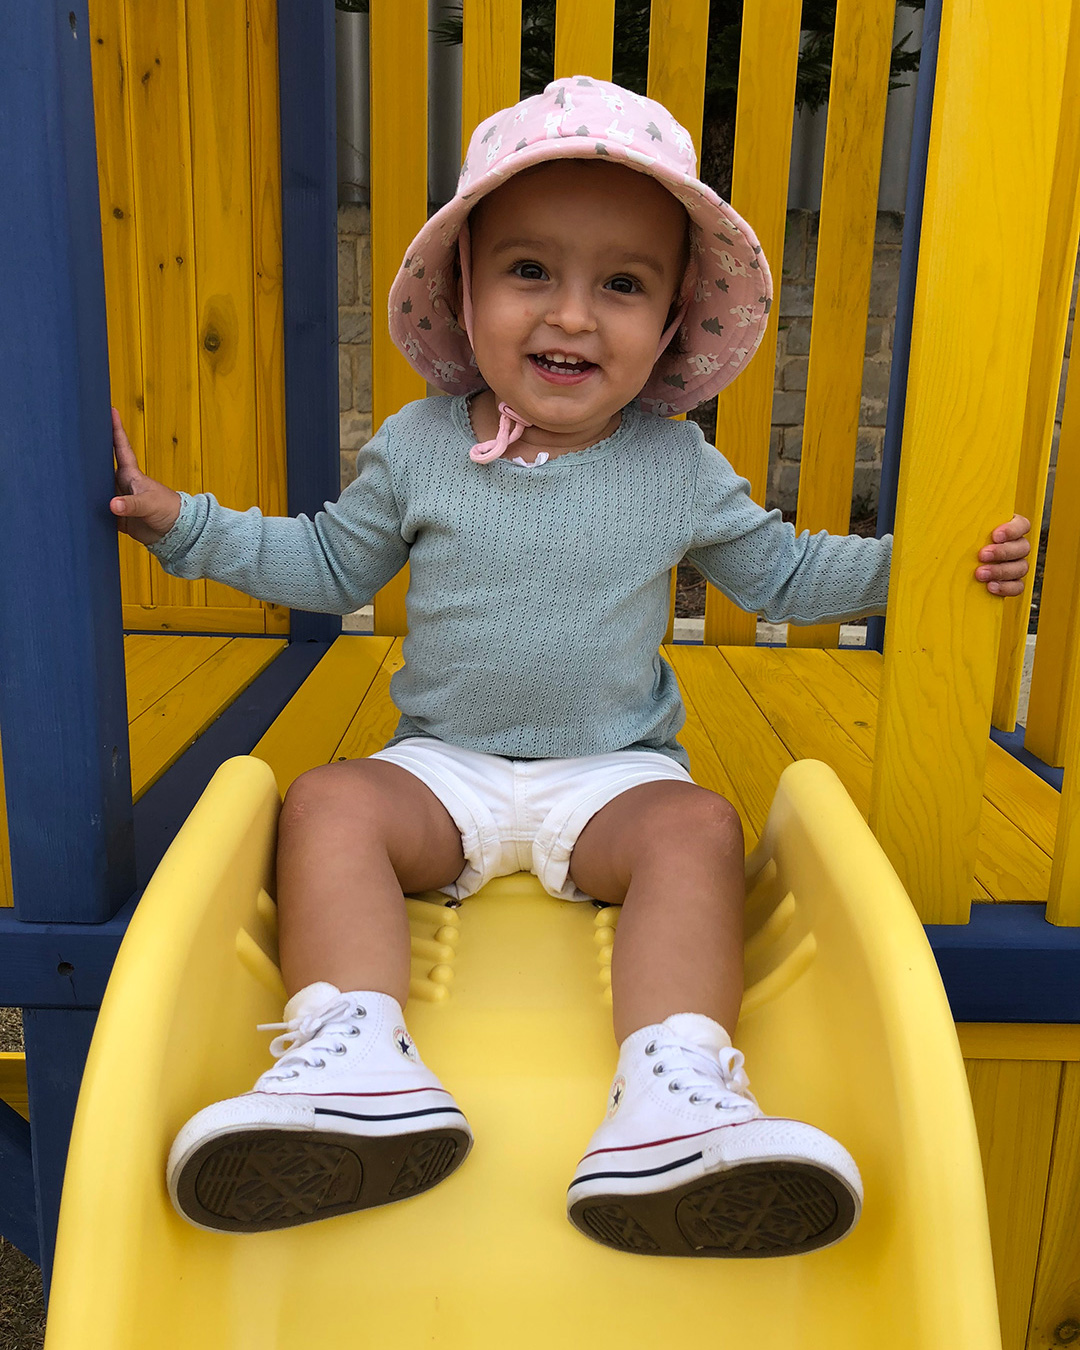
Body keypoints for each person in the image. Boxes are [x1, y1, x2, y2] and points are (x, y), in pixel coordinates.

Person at [110, 77, 1031, 1257]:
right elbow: (331, 563)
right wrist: (182, 522)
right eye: (531, 271)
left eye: (624, 285)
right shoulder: (419, 447)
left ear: (672, 326)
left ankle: (676, 1096)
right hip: (442, 769)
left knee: (697, 829)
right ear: (465, 291)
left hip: (611, 778)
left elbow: (789, 578)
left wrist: (929, 566)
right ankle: (352, 1058)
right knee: (329, 800)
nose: (575, 317)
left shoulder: (677, 468)